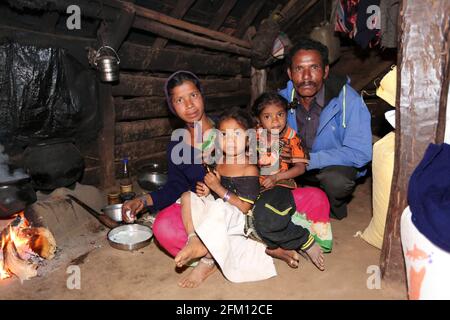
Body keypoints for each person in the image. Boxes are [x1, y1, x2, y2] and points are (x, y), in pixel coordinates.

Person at [174, 107, 277, 288]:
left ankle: (206, 259)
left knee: (219, 208)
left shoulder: (249, 168)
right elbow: (214, 191)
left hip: (237, 216)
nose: (229, 140)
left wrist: (217, 187)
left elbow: (244, 207)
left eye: (236, 134)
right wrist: (207, 190)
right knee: (187, 196)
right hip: (219, 207)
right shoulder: (219, 161)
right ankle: (194, 239)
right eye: (223, 134)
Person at [279, 38, 372, 219]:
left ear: (325, 71)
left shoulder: (348, 100)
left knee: (337, 181)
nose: (306, 77)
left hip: (330, 167)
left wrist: (308, 160)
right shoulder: (281, 100)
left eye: (314, 68)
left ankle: (333, 208)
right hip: (295, 165)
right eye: (299, 69)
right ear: (290, 73)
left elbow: (361, 153)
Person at [249, 92, 324, 270]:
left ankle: (304, 240)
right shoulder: (254, 136)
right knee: (243, 218)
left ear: (286, 114)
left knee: (266, 219)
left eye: (280, 115)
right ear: (259, 120)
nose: (275, 121)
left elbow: (300, 168)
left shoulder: (292, 138)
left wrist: (276, 177)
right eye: (268, 116)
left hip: (281, 185)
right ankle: (275, 248)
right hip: (253, 185)